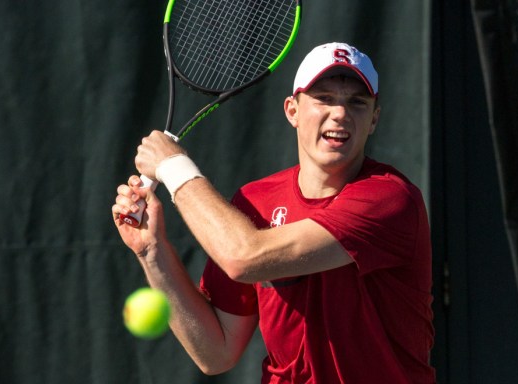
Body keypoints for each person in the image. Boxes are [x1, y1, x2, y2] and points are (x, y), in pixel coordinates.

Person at [112, 42, 436, 383]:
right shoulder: (255, 201)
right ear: (292, 111)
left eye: (357, 102)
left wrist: (173, 166)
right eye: (324, 98)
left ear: (374, 118)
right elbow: (215, 352)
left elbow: (244, 256)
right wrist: (152, 250)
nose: (340, 114)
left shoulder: (390, 199)